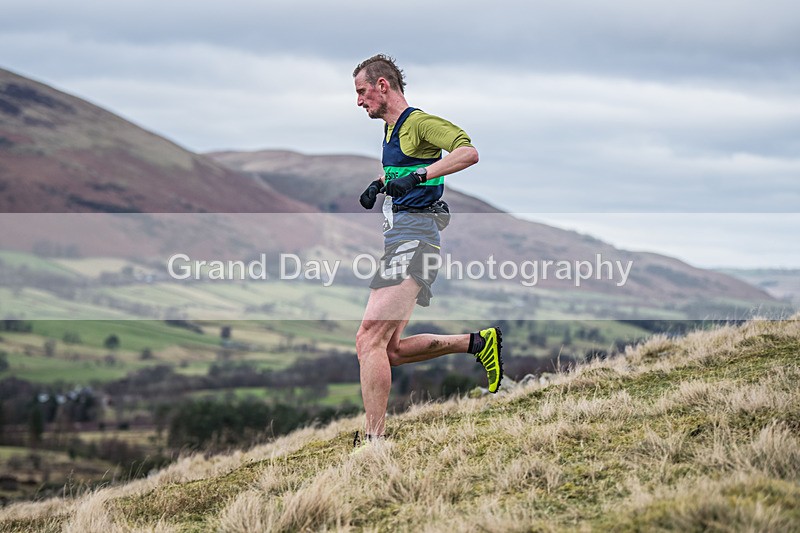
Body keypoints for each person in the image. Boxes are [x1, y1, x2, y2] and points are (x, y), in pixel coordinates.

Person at [352, 54, 503, 444]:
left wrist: (420, 174)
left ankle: (374, 442)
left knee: (368, 339)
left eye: (362, 91)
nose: (359, 101)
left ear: (383, 85)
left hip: (415, 241)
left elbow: (467, 151)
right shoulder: (390, 132)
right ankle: (477, 343)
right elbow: (407, 176)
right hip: (400, 240)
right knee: (392, 350)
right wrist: (381, 185)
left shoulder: (417, 123)